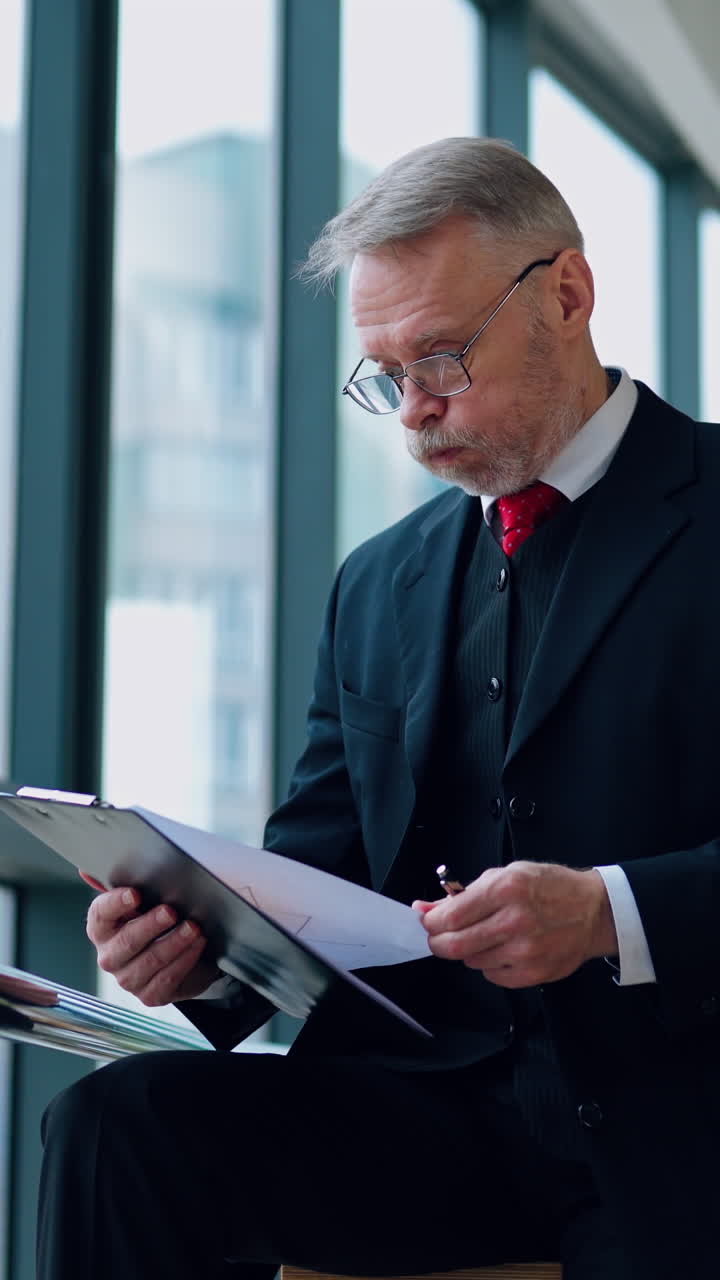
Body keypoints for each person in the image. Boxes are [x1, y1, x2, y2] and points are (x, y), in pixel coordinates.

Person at [37, 137, 720, 1280]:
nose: (414, 413)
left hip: (679, 1119)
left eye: (443, 359)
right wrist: (199, 950)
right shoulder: (378, 580)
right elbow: (318, 872)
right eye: (388, 376)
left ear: (567, 292)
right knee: (122, 1122)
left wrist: (608, 913)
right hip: (433, 1115)